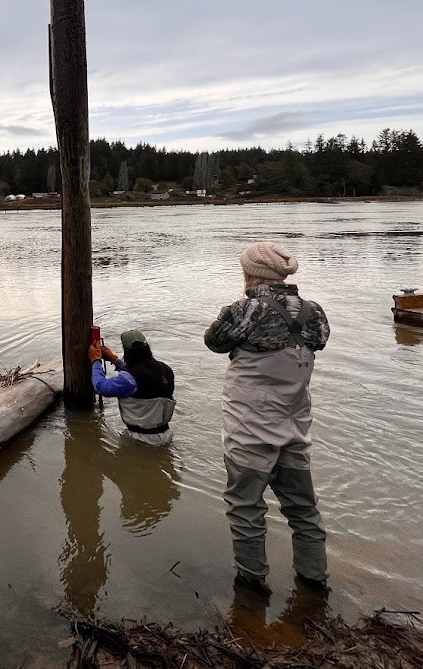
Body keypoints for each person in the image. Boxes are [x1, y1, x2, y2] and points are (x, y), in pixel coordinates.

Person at [204, 241, 331, 596]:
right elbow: (318, 342)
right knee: (304, 511)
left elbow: (213, 342)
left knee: (246, 509)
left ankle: (251, 588)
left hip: (250, 431)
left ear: (250, 273)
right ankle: (314, 582)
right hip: (296, 427)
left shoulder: (244, 310)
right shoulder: (314, 312)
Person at [86, 329, 176, 445]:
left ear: (127, 353)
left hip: (139, 441)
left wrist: (95, 361)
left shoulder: (130, 380)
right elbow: (140, 378)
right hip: (166, 436)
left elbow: (100, 387)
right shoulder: (166, 370)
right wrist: (114, 360)